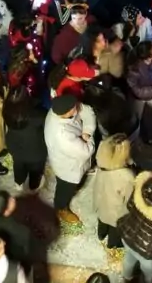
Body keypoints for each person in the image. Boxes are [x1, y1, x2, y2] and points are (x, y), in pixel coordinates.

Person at [44, 93, 96, 225]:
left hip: (71, 158)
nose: (77, 108)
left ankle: (72, 191)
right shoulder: (62, 135)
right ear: (66, 113)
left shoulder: (58, 110)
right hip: (68, 169)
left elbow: (87, 110)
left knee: (71, 185)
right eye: (74, 108)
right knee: (65, 189)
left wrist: (87, 131)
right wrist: (89, 138)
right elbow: (87, 151)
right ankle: (61, 208)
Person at [95, 134, 136, 248]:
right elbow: (128, 199)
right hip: (116, 212)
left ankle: (101, 234)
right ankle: (112, 245)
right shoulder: (127, 176)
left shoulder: (102, 162)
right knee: (115, 229)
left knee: (102, 220)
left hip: (101, 203)